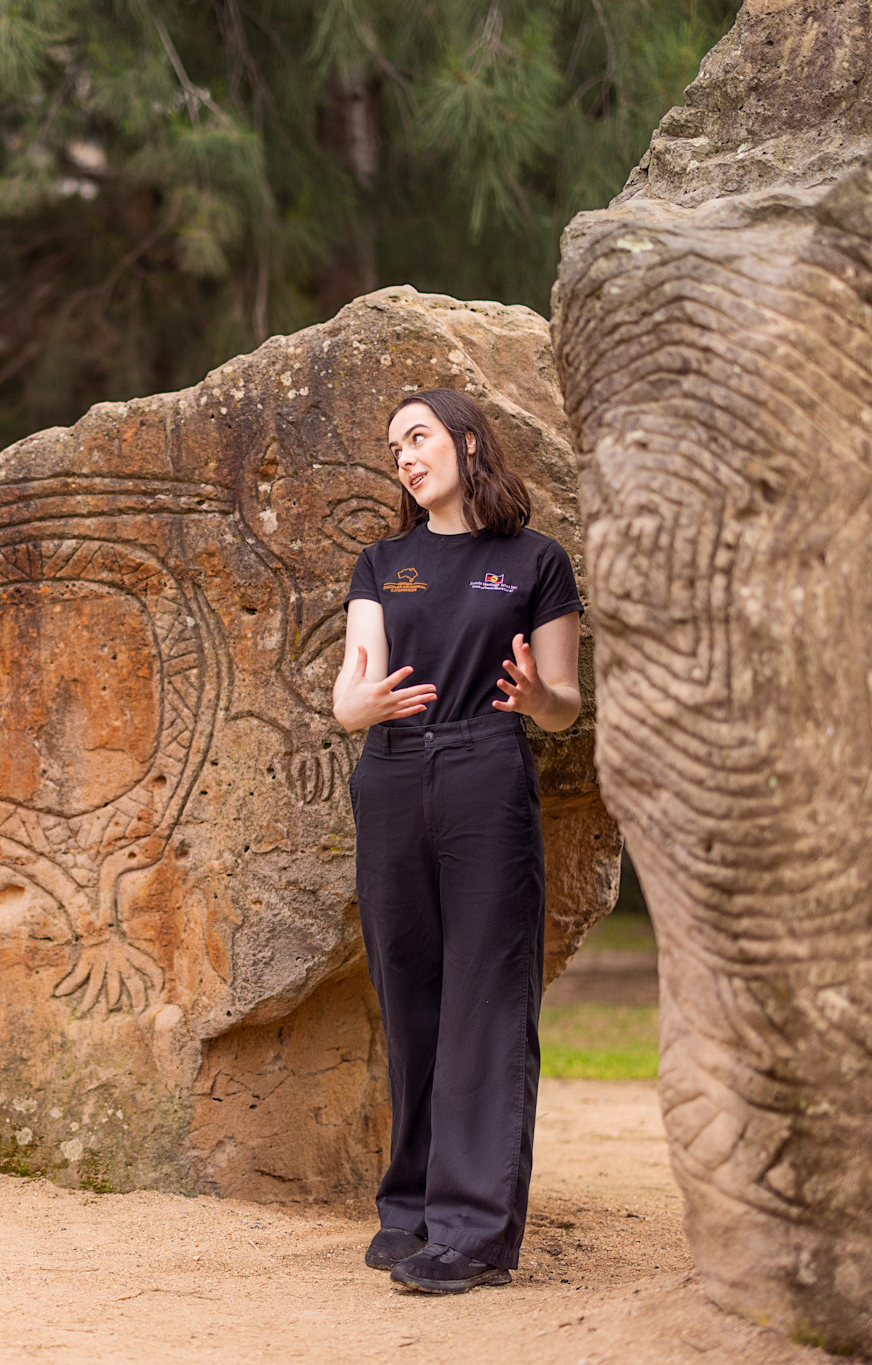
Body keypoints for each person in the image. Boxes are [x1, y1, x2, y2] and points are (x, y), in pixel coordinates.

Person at [331, 388, 583, 1294]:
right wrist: (358, 708)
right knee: (411, 989)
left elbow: (563, 703)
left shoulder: (534, 562)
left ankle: (474, 1230)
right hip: (391, 771)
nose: (404, 455)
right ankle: (411, 1207)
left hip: (486, 764)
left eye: (420, 435)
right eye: (394, 442)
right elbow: (349, 692)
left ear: (468, 443)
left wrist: (535, 698)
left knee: (485, 995)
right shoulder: (381, 562)